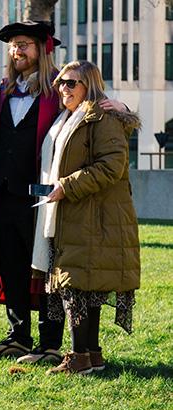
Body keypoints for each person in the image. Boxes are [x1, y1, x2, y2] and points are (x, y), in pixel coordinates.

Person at [31, 61, 140, 375]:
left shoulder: (100, 117)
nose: (63, 87)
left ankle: (79, 358)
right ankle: (91, 355)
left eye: (71, 83)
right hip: (71, 214)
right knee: (82, 285)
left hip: (93, 216)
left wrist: (66, 186)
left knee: (77, 285)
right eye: (61, 82)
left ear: (89, 85)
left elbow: (112, 165)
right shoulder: (68, 117)